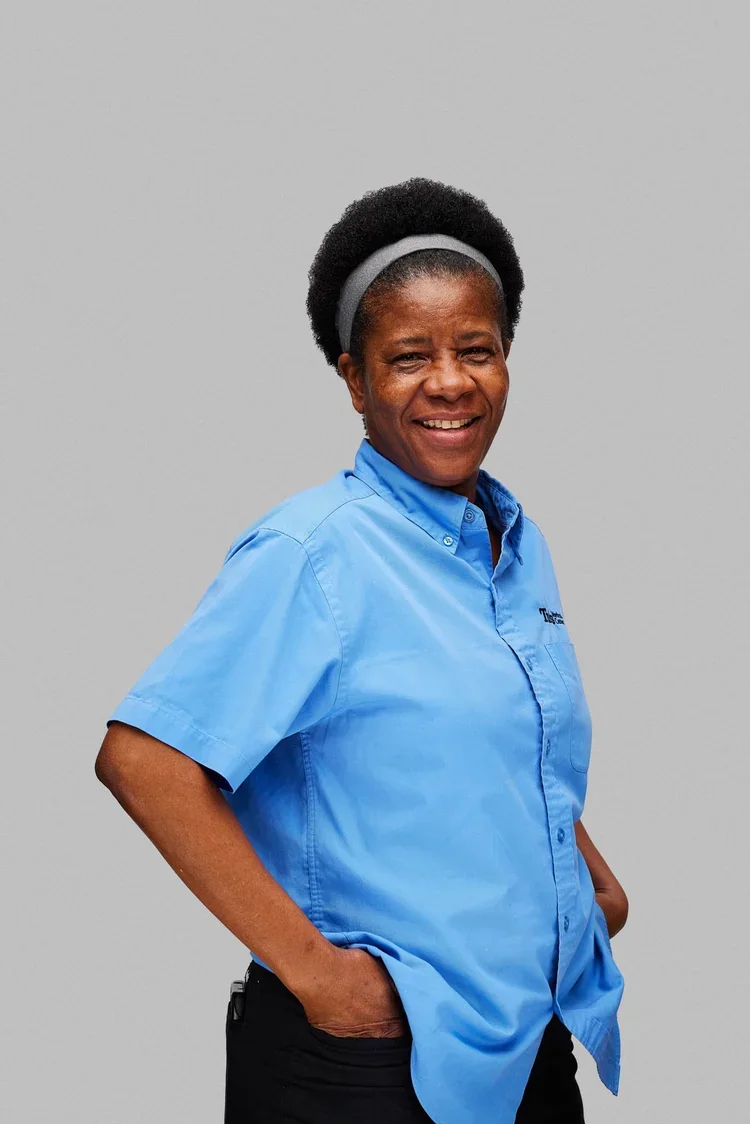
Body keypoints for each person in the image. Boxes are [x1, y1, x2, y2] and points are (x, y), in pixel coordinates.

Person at [96, 177, 628, 1124]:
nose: (450, 382)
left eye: (477, 350)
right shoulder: (315, 553)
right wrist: (320, 977)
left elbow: (498, 729)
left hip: (524, 1039)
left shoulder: (515, 540)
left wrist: (581, 879)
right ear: (353, 379)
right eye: (408, 356)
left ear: (507, 360)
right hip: (368, 1071)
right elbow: (145, 760)